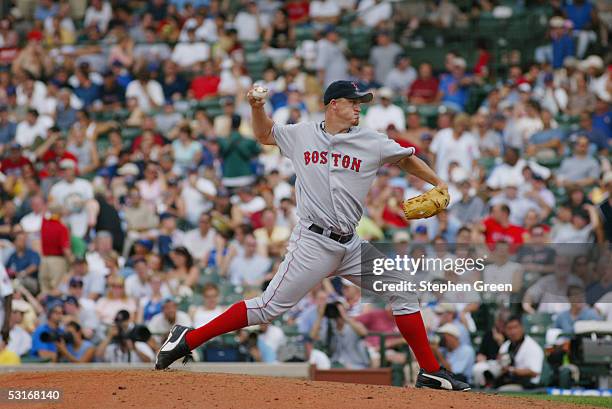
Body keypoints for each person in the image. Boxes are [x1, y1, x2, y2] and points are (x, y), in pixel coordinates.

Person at [156, 81, 469, 391]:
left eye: (361, 101)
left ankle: (429, 371)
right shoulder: (301, 134)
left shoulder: (372, 141)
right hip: (313, 243)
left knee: (403, 289)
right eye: (353, 101)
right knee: (266, 308)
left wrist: (437, 181)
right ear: (334, 104)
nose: (359, 106)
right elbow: (264, 134)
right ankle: (188, 338)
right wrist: (256, 107)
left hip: (351, 244)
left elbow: (405, 158)